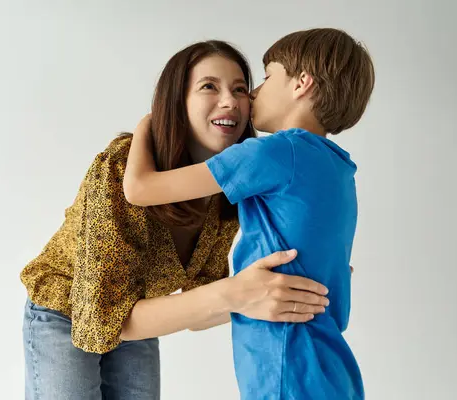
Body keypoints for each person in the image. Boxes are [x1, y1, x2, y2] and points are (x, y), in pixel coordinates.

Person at [20, 40, 330, 400]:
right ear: (177, 102)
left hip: (137, 318)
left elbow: (201, 309)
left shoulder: (228, 188)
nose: (229, 100)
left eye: (241, 89)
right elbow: (96, 321)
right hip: (67, 312)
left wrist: (273, 290)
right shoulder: (121, 166)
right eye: (209, 86)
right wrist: (233, 293)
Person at [124, 28, 375, 399]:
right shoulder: (340, 170)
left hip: (284, 364)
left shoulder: (273, 153)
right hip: (328, 365)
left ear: (301, 84)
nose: (254, 93)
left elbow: (140, 189)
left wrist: (147, 124)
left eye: (268, 76)